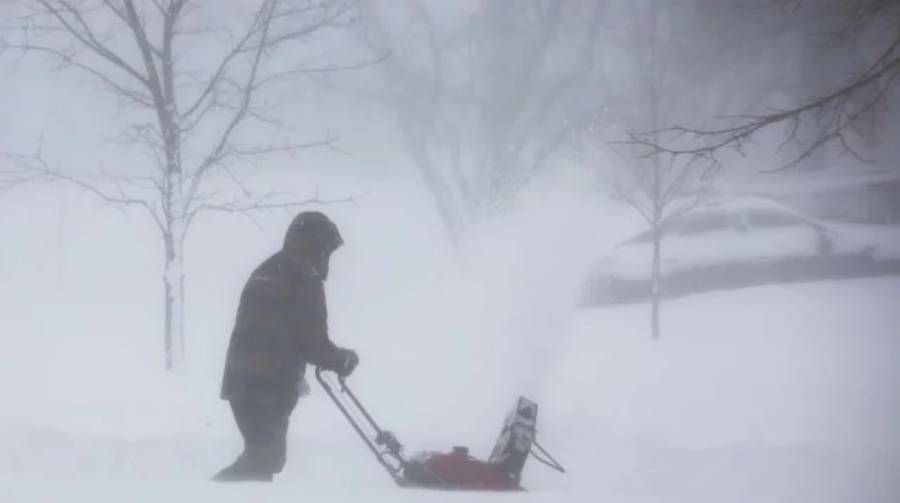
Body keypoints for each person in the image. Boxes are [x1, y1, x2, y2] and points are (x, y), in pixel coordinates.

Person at [212, 211, 359, 482]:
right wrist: (342, 360)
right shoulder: (303, 279)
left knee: (262, 460)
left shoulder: (270, 269)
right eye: (326, 249)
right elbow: (312, 341)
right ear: (316, 246)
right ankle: (205, 496)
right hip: (267, 385)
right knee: (262, 461)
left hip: (242, 382)